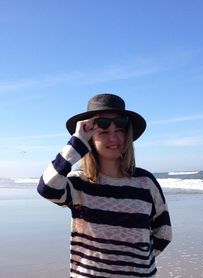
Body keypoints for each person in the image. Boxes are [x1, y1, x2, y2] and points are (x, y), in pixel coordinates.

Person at [37, 93, 172, 278]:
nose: (113, 138)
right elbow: (46, 187)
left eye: (120, 130)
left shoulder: (145, 182)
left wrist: (134, 260)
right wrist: (77, 141)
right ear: (90, 138)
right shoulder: (79, 183)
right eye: (104, 132)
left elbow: (163, 233)